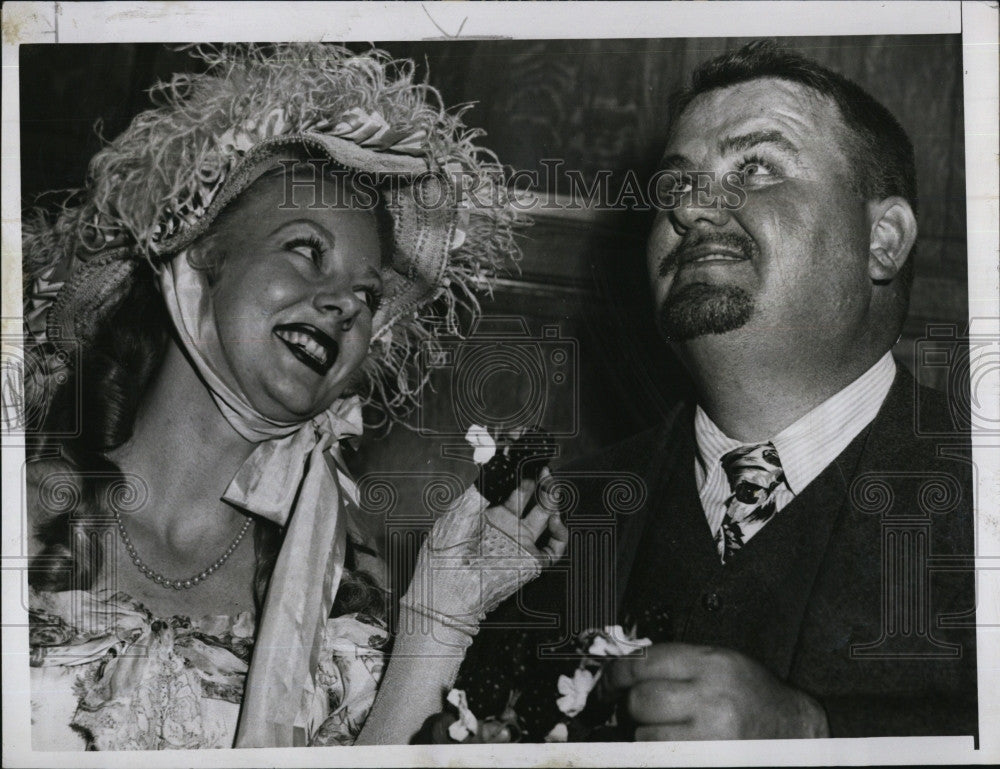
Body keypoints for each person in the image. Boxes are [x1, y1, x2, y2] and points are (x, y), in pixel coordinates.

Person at [23, 43, 566, 750]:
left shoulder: (344, 594)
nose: (345, 303)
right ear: (195, 260)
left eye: (368, 296)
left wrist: (443, 612)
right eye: (306, 250)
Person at [450, 39, 977, 741]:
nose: (690, 208)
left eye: (756, 166)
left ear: (883, 240)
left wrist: (815, 738)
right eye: (673, 185)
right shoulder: (545, 526)